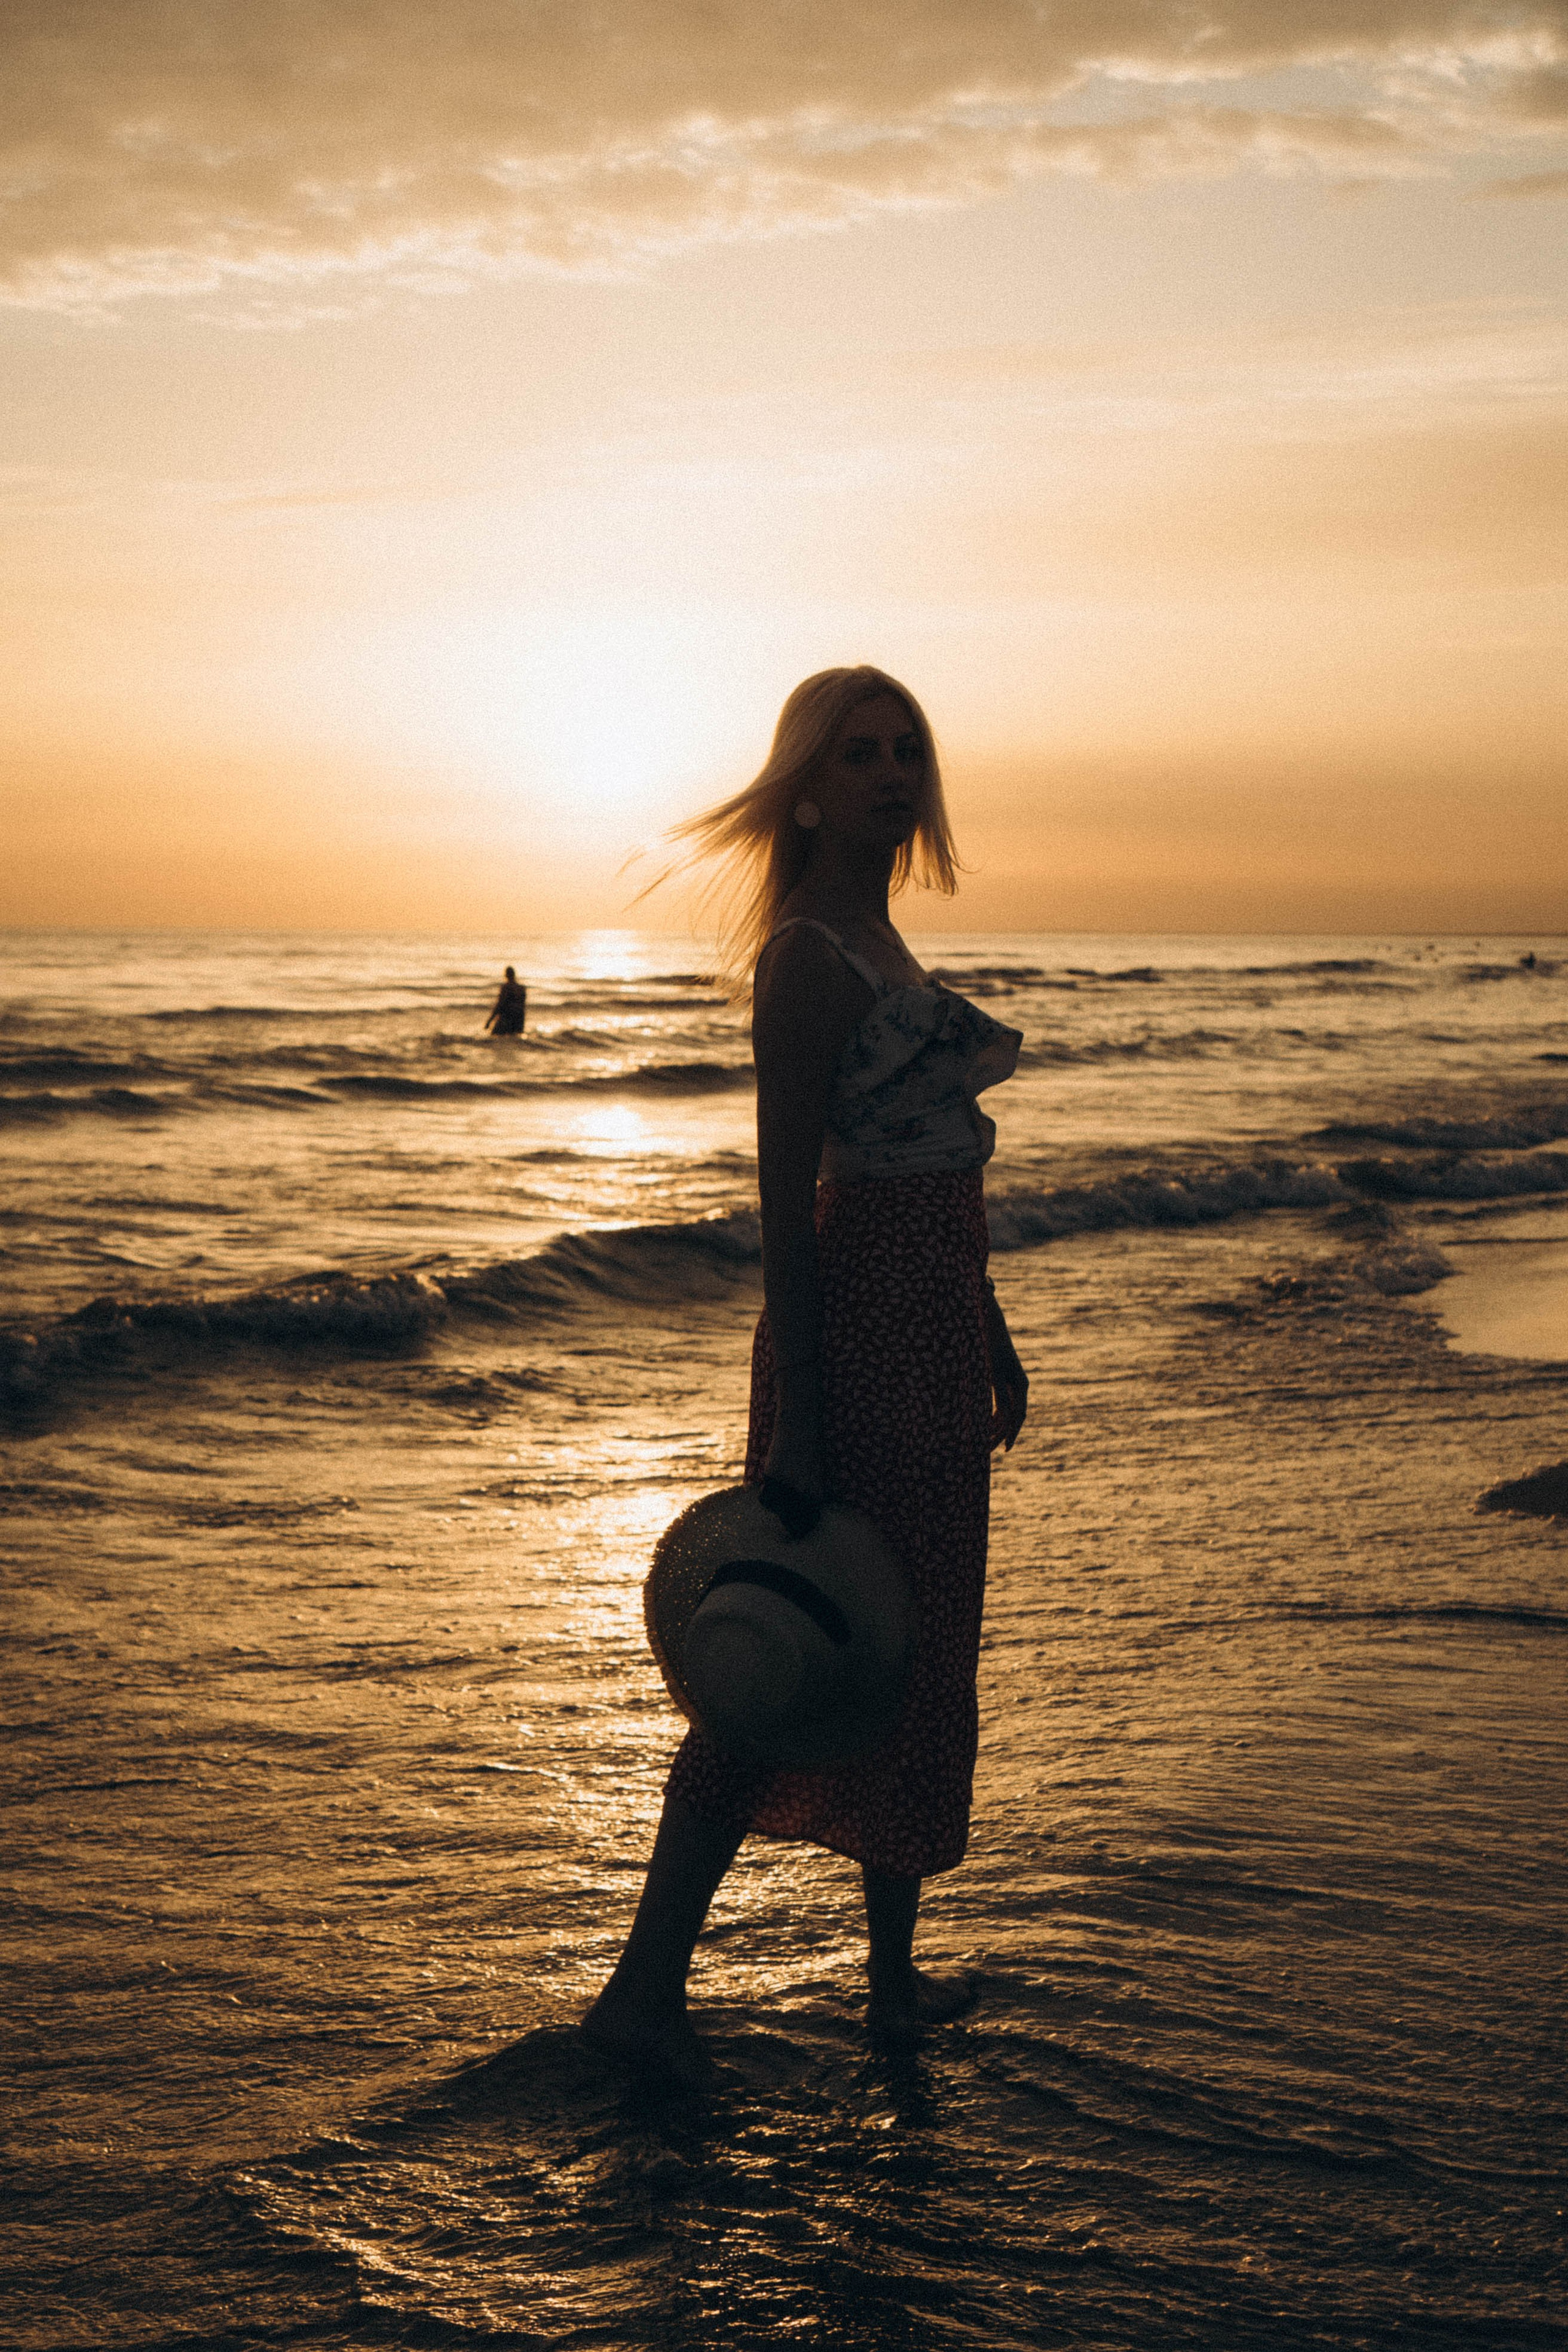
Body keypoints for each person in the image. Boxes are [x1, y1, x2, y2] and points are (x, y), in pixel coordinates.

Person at [582, 666, 1028, 2085]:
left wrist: (989, 1329)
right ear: (807, 784)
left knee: (908, 1652)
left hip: (934, 1331)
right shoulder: (805, 959)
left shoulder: (886, 942)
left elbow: (934, 1171)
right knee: (776, 1665)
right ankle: (644, 1986)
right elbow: (789, 1208)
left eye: (908, 751)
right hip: (850, 1345)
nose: (891, 774)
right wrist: (803, 1429)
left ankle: (890, 1988)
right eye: (858, 754)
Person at [484, 965, 527, 1036]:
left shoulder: (506, 988)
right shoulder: (521, 988)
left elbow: (500, 1005)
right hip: (519, 1019)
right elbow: (522, 1006)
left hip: (506, 1019)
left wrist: (490, 1021)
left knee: (494, 1037)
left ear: (506, 975)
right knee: (515, 1041)